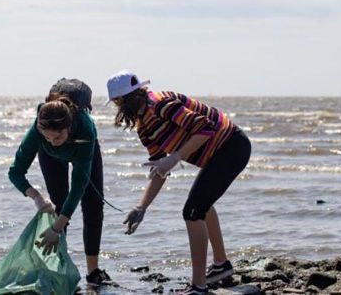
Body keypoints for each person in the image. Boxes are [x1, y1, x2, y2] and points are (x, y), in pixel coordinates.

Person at [107, 70, 251, 295]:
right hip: (220, 154)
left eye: (118, 102)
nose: (118, 108)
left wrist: (175, 157)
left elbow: (206, 128)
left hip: (232, 146)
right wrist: (141, 207)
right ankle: (221, 266)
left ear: (125, 99)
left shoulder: (160, 104)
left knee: (192, 212)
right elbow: (158, 169)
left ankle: (198, 287)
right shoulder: (144, 126)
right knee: (201, 204)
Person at [7, 83, 113, 286]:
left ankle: (93, 272)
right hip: (51, 158)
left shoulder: (85, 131)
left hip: (81, 150)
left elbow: (79, 185)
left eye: (57, 137)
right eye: (47, 137)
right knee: (59, 203)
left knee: (92, 205)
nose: (53, 141)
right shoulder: (40, 132)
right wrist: (37, 198)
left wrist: (56, 228)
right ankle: (58, 270)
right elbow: (15, 172)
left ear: (69, 127)